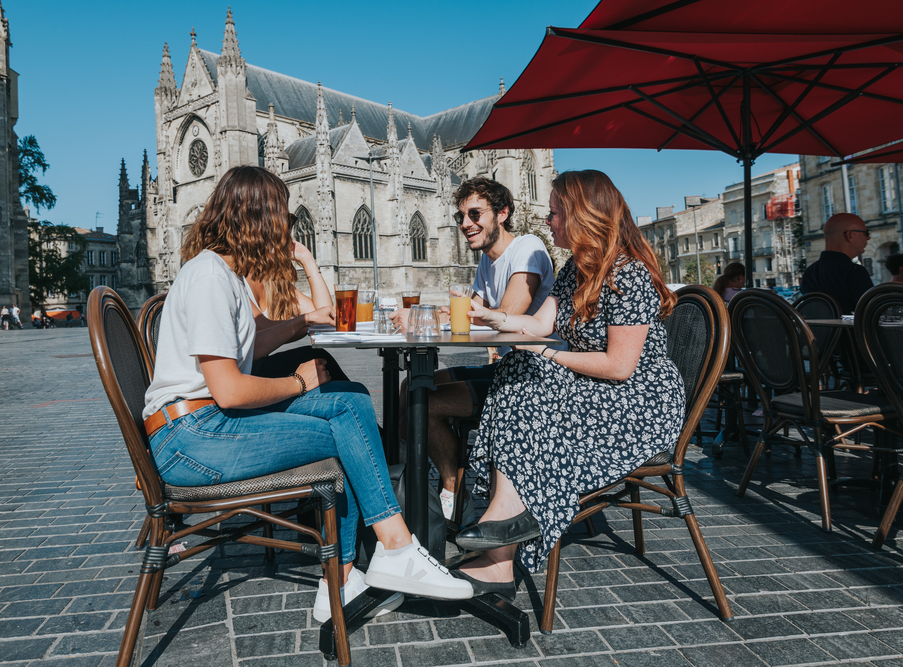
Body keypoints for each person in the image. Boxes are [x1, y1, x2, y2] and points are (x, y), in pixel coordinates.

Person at [143, 166, 472, 624]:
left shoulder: (225, 275)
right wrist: (299, 383)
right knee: (345, 427)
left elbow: (250, 345)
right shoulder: (209, 279)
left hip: (202, 427)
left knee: (351, 400)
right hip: (190, 439)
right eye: (283, 215)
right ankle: (384, 555)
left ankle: (353, 572)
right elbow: (231, 391)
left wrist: (302, 323)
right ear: (256, 217)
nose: (288, 225)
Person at [447, 170, 685, 601]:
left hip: (637, 404)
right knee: (518, 371)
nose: (549, 220)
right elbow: (540, 323)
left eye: (555, 213)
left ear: (582, 215)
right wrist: (494, 318)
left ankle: (503, 523)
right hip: (594, 388)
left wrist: (547, 354)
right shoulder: (576, 266)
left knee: (529, 372)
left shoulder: (627, 273)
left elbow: (619, 366)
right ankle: (504, 532)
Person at [391, 177, 554, 521]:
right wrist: (426, 316)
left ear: (503, 213)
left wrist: (427, 315)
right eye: (460, 217)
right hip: (505, 369)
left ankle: (451, 488)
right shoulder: (486, 262)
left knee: (427, 401)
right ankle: (414, 482)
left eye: (475, 214)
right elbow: (466, 315)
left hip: (533, 379)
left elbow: (506, 315)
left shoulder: (528, 248)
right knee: (410, 387)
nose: (466, 224)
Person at [244, 217, 350, 383]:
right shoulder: (238, 278)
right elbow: (263, 328)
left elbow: (324, 313)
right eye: (282, 235)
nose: (288, 241)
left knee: (321, 360)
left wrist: (307, 259)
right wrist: (308, 321)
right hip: (241, 374)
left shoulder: (274, 282)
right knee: (317, 357)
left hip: (257, 368)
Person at [800, 213, 874, 314]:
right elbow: (872, 314)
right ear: (850, 235)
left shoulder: (809, 273)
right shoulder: (854, 272)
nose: (868, 238)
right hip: (851, 330)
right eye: (866, 233)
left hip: (814, 330)